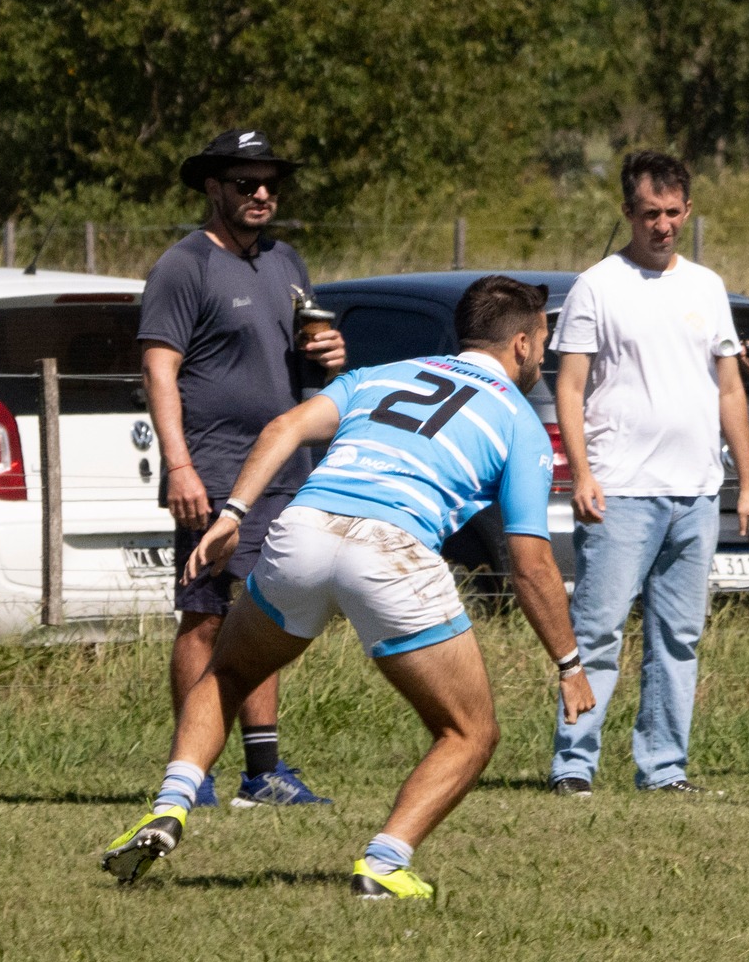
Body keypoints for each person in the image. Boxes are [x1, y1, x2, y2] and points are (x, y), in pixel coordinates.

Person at [102, 276, 595, 899]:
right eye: (544, 343)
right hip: (391, 551)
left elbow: (283, 427)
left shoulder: (381, 374)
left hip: (304, 530)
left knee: (226, 675)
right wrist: (569, 662)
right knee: (471, 733)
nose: (544, 358)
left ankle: (170, 804)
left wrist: (233, 515)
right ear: (521, 344)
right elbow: (531, 564)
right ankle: (385, 862)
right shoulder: (519, 422)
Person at [545, 151, 749, 798]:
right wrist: (580, 472)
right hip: (621, 491)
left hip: (696, 492)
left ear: (687, 212)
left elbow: (730, 389)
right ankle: (574, 764)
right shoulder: (597, 286)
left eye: (673, 214)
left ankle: (664, 768)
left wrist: (746, 485)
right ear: (628, 214)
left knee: (679, 637)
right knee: (597, 631)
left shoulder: (706, 286)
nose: (662, 226)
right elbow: (572, 384)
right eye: (649, 215)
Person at [137, 128, 343, 807]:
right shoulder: (184, 265)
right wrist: (180, 467)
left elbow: (298, 358)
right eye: (246, 183)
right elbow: (159, 370)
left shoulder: (287, 262)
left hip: (284, 473)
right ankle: (191, 774)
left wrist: (328, 356)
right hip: (214, 472)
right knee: (203, 618)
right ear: (213, 188)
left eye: (271, 184)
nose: (262, 194)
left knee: (267, 616)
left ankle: (264, 772)